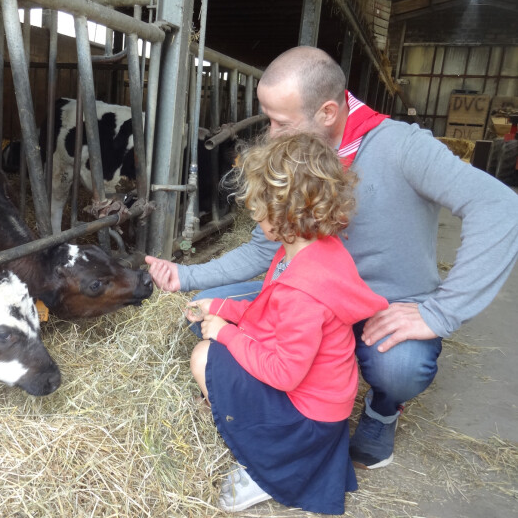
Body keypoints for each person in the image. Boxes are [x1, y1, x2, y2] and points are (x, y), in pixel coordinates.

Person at [147, 45, 518, 477]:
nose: (271, 134)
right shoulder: (300, 157)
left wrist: (442, 311)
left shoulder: (402, 147)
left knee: (400, 368)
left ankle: (382, 410)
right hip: (310, 296)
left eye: (280, 122)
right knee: (207, 307)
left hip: (383, 306)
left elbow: (498, 206)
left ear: (327, 111)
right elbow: (264, 247)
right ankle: (291, 403)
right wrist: (187, 275)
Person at [184, 131, 388, 514]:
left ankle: (261, 469)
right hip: (320, 407)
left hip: (305, 420)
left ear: (280, 213)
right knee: (213, 335)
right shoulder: (311, 253)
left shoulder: (303, 289)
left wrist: (224, 332)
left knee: (204, 355)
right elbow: (269, 316)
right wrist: (224, 306)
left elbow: (284, 374)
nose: (253, 213)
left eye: (257, 206)